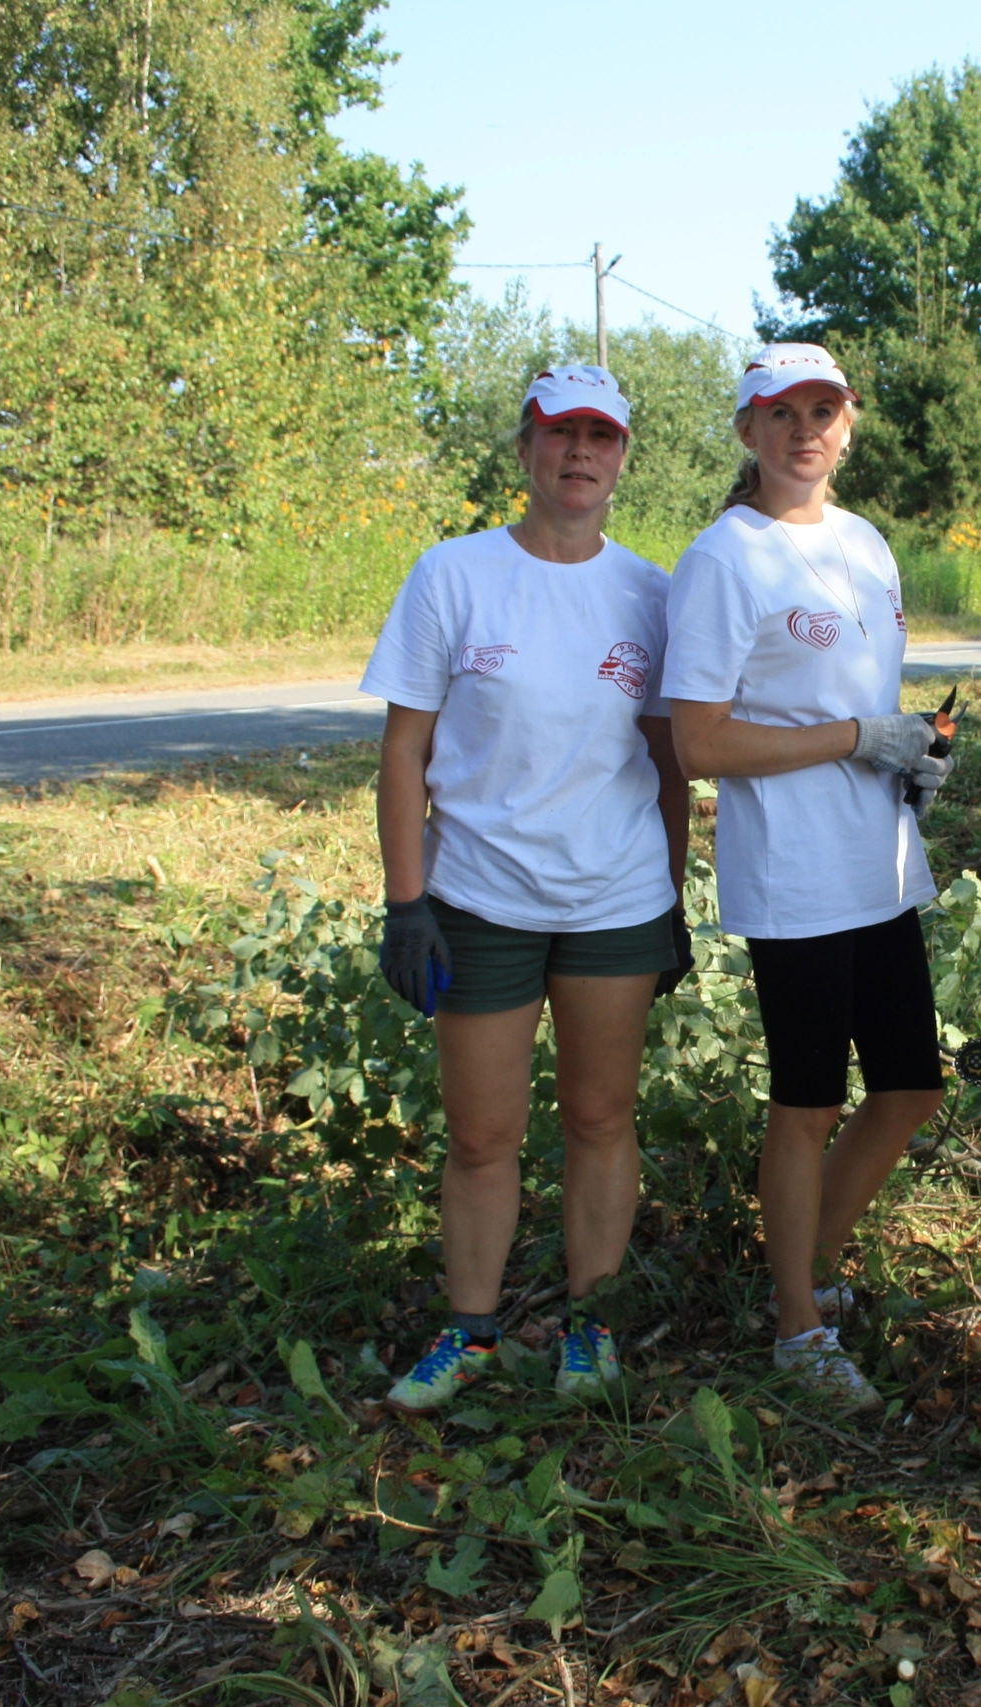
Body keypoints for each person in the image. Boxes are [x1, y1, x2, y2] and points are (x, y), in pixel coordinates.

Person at [363, 364, 690, 1414]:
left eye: (601, 437)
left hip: (615, 903)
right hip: (478, 901)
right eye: (560, 435)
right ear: (525, 449)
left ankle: (589, 1329)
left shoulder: (650, 593)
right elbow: (403, 753)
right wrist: (405, 902)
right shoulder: (453, 576)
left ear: (624, 456)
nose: (579, 454)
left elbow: (669, 762)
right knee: (482, 1134)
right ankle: (470, 1333)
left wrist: (677, 897)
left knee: (600, 1119)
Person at [665, 343, 948, 1410]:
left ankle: (804, 1266)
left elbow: (870, 708)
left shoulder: (866, 545)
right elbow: (698, 743)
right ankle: (794, 1324)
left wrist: (911, 751)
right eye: (779, 414)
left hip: (881, 867)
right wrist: (851, 738)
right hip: (794, 878)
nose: (803, 431)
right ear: (746, 430)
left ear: (849, 421)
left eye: (822, 410)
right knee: (807, 1103)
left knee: (912, 1088)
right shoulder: (724, 559)